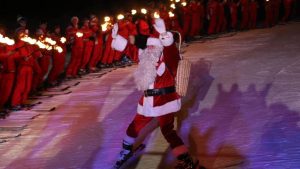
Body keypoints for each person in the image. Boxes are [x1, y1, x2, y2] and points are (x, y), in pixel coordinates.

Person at [112, 18, 200, 169]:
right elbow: (130, 49)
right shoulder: (144, 56)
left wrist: (164, 35)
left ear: (159, 47)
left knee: (168, 131)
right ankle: (126, 151)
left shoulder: (168, 57)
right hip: (147, 102)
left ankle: (185, 159)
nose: (150, 49)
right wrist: (117, 39)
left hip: (164, 101)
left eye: (154, 46)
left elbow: (172, 52)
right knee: (134, 127)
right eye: (149, 46)